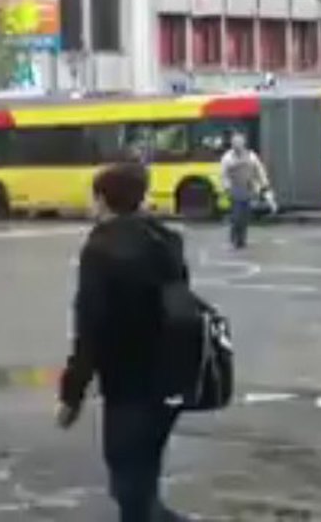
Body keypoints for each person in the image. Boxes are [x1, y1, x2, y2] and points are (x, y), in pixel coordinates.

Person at [57, 162, 189, 522]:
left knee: (129, 485)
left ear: (103, 199)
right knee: (142, 476)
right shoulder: (166, 240)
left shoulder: (100, 249)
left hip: (127, 381)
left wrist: (73, 394)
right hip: (170, 374)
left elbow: (91, 326)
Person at [220, 131, 272, 249]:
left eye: (239, 142)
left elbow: (259, 170)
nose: (237, 145)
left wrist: (264, 184)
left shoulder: (251, 155)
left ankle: (241, 239)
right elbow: (224, 175)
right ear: (232, 144)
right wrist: (227, 188)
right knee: (237, 216)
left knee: (245, 217)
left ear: (244, 143)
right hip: (235, 189)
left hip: (249, 189)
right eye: (235, 142)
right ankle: (235, 237)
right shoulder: (227, 158)